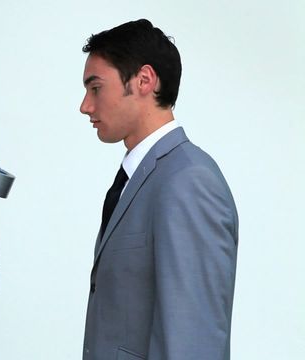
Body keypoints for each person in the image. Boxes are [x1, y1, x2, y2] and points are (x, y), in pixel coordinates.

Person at [79, 19, 238, 359]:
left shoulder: (188, 182)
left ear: (144, 80)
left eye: (95, 88)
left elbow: (194, 340)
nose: (85, 106)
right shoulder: (138, 179)